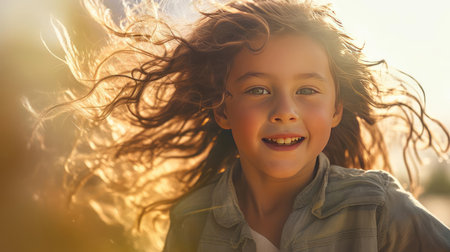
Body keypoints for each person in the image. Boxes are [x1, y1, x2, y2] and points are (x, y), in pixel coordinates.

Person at [37, 0, 450, 251]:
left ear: (337, 108)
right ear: (221, 109)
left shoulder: (378, 208)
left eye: (307, 90)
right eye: (257, 90)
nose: (285, 110)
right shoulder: (193, 219)